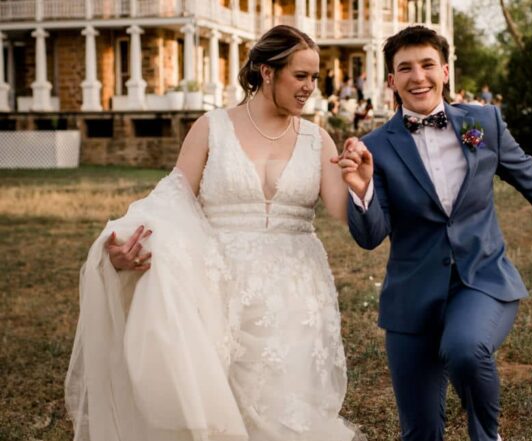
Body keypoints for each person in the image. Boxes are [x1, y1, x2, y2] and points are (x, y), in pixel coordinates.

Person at [66, 25, 364, 441]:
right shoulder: (212, 127)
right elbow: (172, 198)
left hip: (296, 291)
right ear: (266, 72)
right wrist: (124, 245)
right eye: (301, 76)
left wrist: (361, 186)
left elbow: (344, 213)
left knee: (287, 408)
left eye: (314, 78)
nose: (310, 88)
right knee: (221, 405)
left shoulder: (318, 141)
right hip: (217, 283)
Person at [335, 25, 532, 441]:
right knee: (420, 432)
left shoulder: (483, 122)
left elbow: (529, 178)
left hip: (481, 280)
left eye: (426, 65)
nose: (417, 77)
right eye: (405, 68)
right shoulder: (376, 147)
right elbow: (370, 237)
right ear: (391, 80)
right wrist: (362, 188)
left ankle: (486, 436)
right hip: (411, 298)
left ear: (444, 70)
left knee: (464, 349)